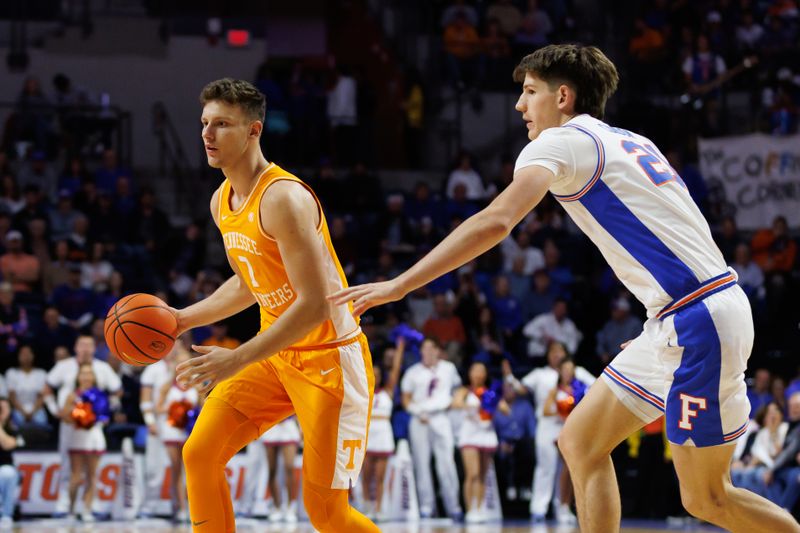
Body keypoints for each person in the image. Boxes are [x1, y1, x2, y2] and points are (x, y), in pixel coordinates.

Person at [331, 44, 800, 532]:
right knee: (580, 443)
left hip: (697, 319)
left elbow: (495, 221)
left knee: (708, 499)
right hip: (685, 311)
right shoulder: (631, 141)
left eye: (529, 91)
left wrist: (401, 284)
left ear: (563, 97)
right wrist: (660, 317)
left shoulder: (559, 143)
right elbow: (680, 234)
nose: (519, 105)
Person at [171, 78, 377, 533]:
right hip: (276, 356)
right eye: (204, 123)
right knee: (200, 453)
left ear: (253, 131)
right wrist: (181, 319)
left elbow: (313, 308)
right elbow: (249, 282)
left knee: (325, 512)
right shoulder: (220, 201)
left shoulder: (283, 197)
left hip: (329, 360)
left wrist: (237, 358)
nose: (207, 134)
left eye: (221, 124)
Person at [503, 341, 594, 521]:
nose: (556, 355)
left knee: (567, 469)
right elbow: (520, 389)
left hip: (570, 426)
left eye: (560, 351)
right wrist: (508, 377)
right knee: (546, 466)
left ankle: (562, 507)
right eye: (552, 351)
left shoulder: (580, 373)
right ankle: (539, 508)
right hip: (547, 425)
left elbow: (597, 386)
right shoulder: (540, 374)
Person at [399, 337, 462, 519]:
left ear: (437, 351)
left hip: (441, 417)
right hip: (420, 419)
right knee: (422, 463)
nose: (426, 352)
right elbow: (406, 399)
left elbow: (458, 389)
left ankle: (453, 506)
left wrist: (456, 399)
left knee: (447, 463)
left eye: (430, 348)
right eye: (423, 349)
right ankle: (427, 506)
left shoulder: (448, 369)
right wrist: (417, 412)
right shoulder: (413, 372)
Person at [452, 361, 507, 524]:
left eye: (481, 371)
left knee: (483, 474)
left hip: (486, 433)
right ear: (469, 373)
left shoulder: (490, 392)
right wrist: (470, 405)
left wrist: (492, 403)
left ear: (485, 374)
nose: (477, 374)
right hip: (469, 434)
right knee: (472, 473)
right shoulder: (464, 390)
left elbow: (505, 409)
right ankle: (470, 509)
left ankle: (480, 507)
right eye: (474, 370)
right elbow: (455, 403)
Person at [361, 334, 404, 521]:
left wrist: (400, 348)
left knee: (380, 477)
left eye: (378, 375)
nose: (376, 377)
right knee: (366, 475)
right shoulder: (363, 391)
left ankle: (379, 508)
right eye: (373, 374)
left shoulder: (388, 390)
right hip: (368, 433)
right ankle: (366, 506)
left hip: (384, 434)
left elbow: (395, 370)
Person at [60, 363, 108, 523]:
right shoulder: (72, 395)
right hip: (78, 437)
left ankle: (87, 509)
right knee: (75, 476)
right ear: (78, 377)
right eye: (83, 373)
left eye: (89, 373)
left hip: (94, 436)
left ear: (93, 377)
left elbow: (105, 417)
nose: (86, 377)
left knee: (92, 475)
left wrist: (94, 418)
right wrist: (77, 414)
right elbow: (65, 418)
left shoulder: (100, 394)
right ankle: (71, 509)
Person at [156, 346, 198, 524]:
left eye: (185, 362)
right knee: (176, 469)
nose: (181, 365)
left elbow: (204, 407)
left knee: (191, 471)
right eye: (178, 362)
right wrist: (173, 410)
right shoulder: (167, 385)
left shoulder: (197, 384)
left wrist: (190, 413)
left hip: (189, 431)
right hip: (172, 430)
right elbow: (158, 407)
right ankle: (179, 507)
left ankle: (192, 507)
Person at [542, 357, 586, 525]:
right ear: (560, 372)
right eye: (565, 369)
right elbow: (545, 411)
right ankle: (561, 505)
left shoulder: (579, 389)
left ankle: (565, 505)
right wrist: (560, 410)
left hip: (575, 431)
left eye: (570, 369)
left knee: (572, 469)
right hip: (560, 432)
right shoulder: (555, 390)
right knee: (567, 469)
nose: (567, 372)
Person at [260, 415, 300, 524]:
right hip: (271, 425)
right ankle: (276, 507)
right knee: (272, 470)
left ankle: (290, 507)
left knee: (289, 467)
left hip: (288, 425)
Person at [0, 398, 21, 529]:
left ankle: (6, 514)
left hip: (5, 468)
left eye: (4, 408)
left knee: (8, 473)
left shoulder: (13, 428)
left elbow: (8, 444)